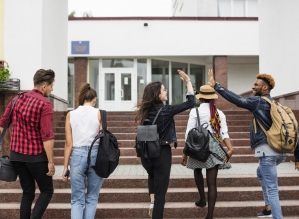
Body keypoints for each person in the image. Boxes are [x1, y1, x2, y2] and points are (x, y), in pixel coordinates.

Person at [207, 69, 288, 219]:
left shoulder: (259, 102)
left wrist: (216, 86)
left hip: (268, 151)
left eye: (256, 84)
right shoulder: (275, 104)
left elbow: (238, 100)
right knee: (260, 172)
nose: (253, 87)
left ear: (265, 88)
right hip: (280, 152)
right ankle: (268, 209)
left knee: (272, 188)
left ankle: (277, 216)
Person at [134, 70, 195, 219]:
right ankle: (156, 207)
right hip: (161, 153)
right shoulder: (165, 111)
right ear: (157, 94)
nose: (166, 91)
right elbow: (191, 102)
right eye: (163, 89)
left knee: (152, 175)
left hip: (146, 155)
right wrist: (188, 81)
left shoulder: (144, 111)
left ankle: (152, 203)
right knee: (161, 195)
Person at [0, 69, 55, 219]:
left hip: (16, 156)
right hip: (36, 157)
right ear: (44, 87)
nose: (52, 88)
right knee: (47, 190)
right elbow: (47, 136)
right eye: (51, 85)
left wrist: (11, 142)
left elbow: (2, 126)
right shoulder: (45, 104)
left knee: (28, 192)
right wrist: (50, 161)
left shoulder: (17, 99)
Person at [181, 84, 233, 219]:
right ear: (213, 99)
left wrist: (184, 153)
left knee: (197, 170)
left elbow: (188, 134)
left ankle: (202, 199)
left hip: (197, 145)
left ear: (201, 98)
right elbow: (224, 134)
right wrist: (230, 148)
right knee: (212, 183)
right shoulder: (220, 113)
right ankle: (209, 216)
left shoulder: (195, 112)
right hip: (214, 147)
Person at [62, 83, 103, 219]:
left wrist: (65, 167)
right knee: (92, 198)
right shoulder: (99, 113)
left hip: (78, 154)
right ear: (94, 99)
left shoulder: (71, 114)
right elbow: (103, 139)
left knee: (77, 199)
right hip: (96, 154)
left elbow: (69, 144)